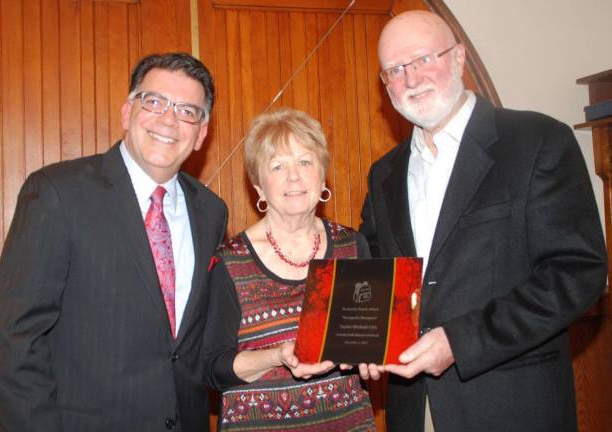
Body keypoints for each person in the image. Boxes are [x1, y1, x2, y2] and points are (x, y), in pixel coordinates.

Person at [358, 10, 607, 432]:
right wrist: (363, 336)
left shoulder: (538, 141)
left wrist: (461, 341)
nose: (411, 79)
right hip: (413, 409)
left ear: (458, 58)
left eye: (423, 59)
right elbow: (377, 271)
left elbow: (577, 273)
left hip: (512, 407)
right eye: (395, 70)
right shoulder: (384, 173)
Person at [0, 53, 228, 431]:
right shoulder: (57, 192)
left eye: (187, 111)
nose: (169, 119)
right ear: (127, 113)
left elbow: (196, 342)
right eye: (154, 102)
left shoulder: (212, 212)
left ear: (201, 133)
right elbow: (17, 340)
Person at [203, 108, 377, 431]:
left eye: (305, 162)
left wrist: (374, 357)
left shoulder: (352, 248)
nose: (294, 176)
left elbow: (366, 345)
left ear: (322, 175)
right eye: (278, 166)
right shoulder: (230, 261)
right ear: (258, 187)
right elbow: (213, 368)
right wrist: (278, 355)